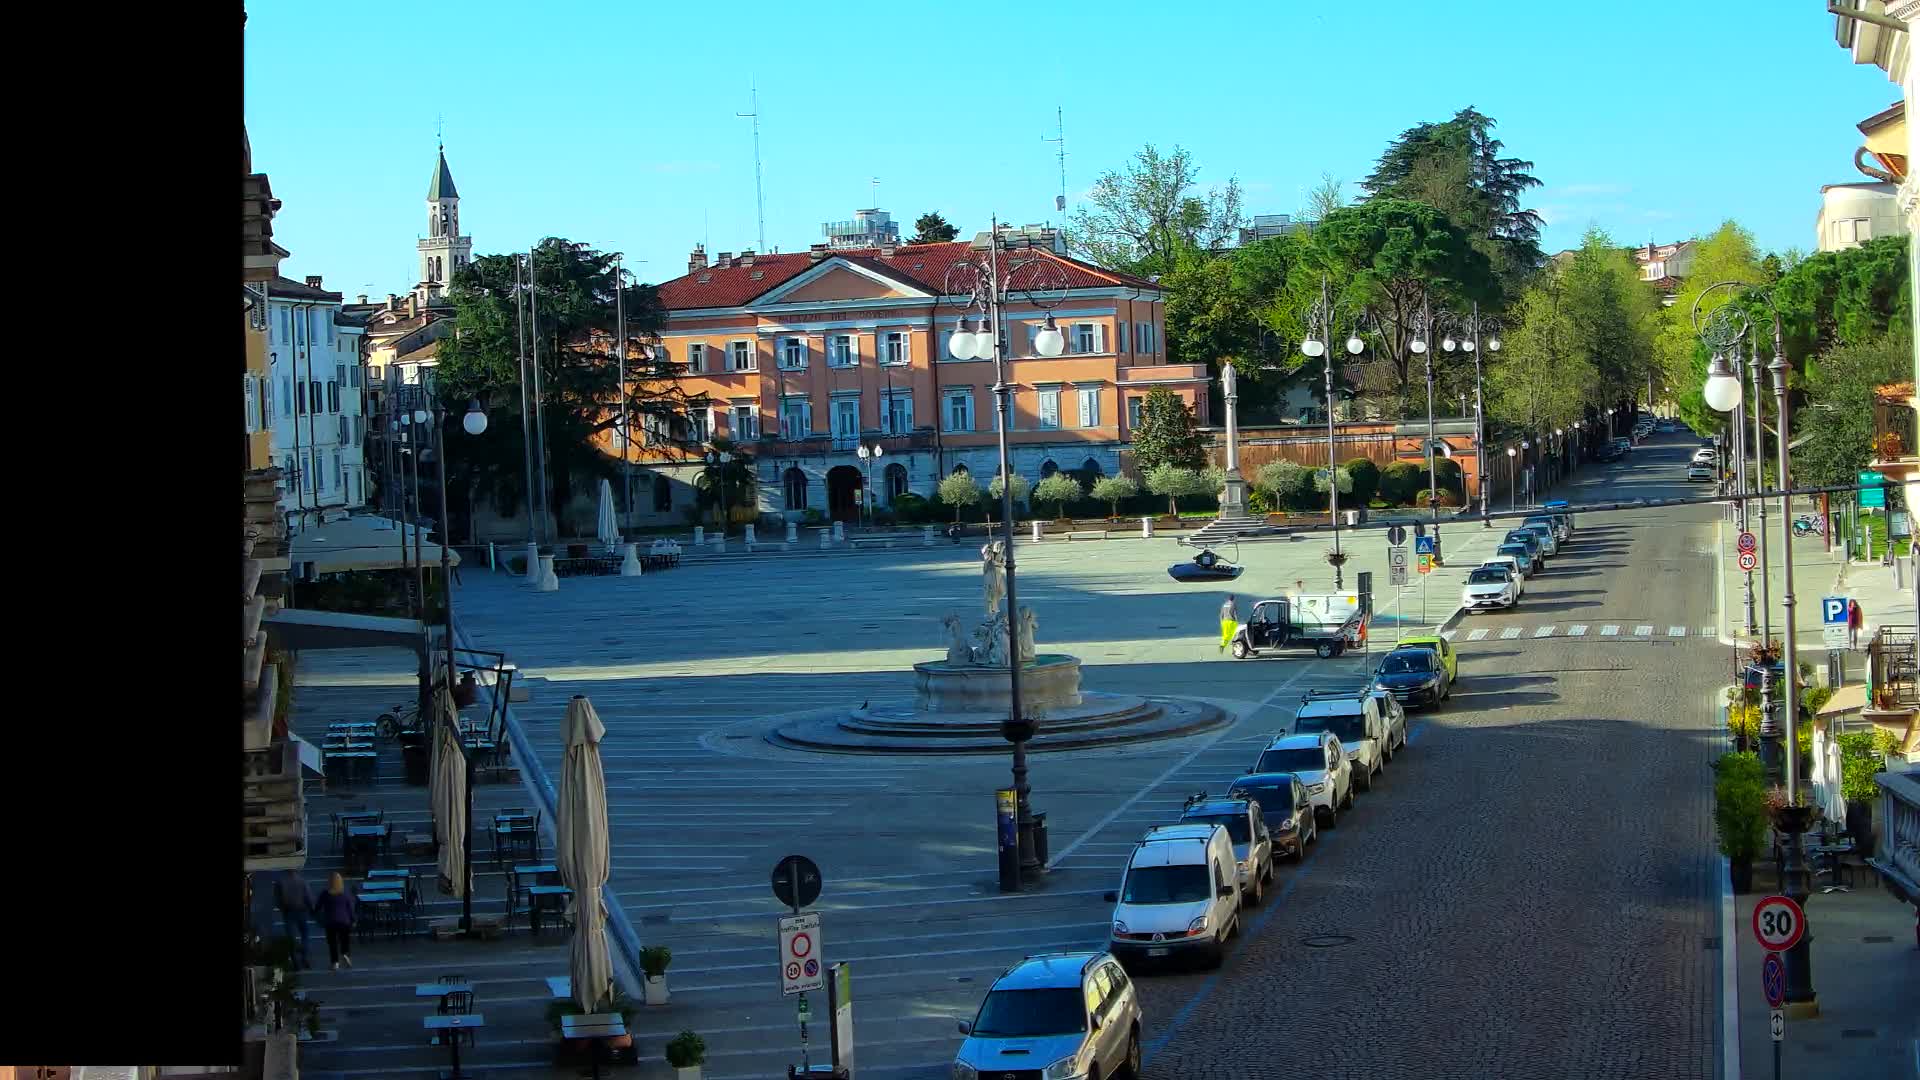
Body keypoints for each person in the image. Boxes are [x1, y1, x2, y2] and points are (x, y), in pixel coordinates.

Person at [273, 869, 315, 970]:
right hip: (301, 910)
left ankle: (295, 961)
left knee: (291, 937)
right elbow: (308, 897)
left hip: (288, 911)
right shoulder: (302, 881)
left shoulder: (280, 881)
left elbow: (277, 898)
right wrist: (311, 908)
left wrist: (282, 908)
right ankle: (304, 956)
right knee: (305, 933)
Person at [315, 872, 358, 971]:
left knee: (332, 943)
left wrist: (317, 916)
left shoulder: (325, 894)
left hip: (330, 921)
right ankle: (345, 953)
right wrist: (354, 920)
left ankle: (335, 963)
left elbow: (318, 907)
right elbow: (350, 909)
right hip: (344, 921)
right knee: (344, 940)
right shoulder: (345, 894)